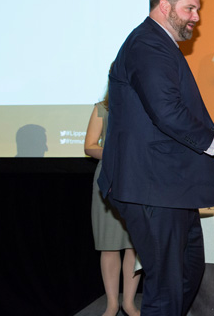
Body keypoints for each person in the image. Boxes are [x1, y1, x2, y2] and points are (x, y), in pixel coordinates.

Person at [97, 0, 214, 316]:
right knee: (167, 286)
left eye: (197, 9)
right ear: (164, 6)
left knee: (187, 272)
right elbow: (168, 113)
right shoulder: (147, 44)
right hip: (151, 188)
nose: (196, 17)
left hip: (170, 189)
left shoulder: (158, 44)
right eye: (189, 8)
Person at [84, 88, 140, 316]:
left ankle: (129, 304)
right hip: (108, 179)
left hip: (137, 178)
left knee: (134, 245)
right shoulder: (103, 108)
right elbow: (89, 145)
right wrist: (112, 154)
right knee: (108, 244)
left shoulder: (144, 107)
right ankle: (112, 305)